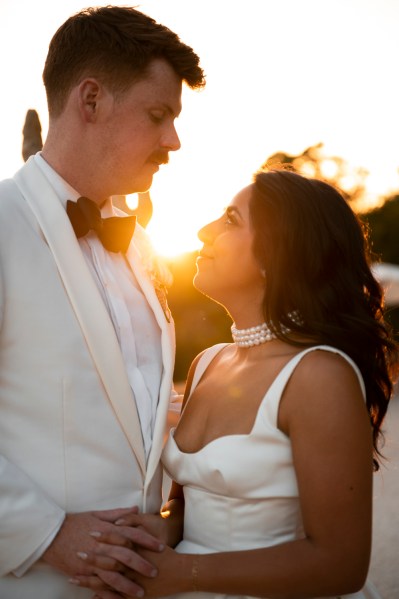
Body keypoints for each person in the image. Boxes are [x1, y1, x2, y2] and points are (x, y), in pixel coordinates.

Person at [73, 168, 398, 599]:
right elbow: (186, 506)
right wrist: (160, 529)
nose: (205, 231)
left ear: (275, 255)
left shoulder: (319, 375)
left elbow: (341, 565)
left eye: (230, 221)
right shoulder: (208, 362)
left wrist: (183, 573)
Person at [0, 5, 204, 598]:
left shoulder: (141, 247)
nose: (174, 140)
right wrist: (46, 534)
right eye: (158, 114)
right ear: (90, 101)